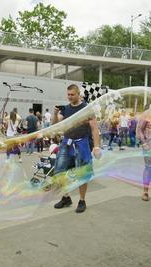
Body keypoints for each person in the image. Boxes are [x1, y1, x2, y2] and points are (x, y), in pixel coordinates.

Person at [52, 84, 101, 213]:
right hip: (66, 143)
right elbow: (55, 126)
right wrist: (55, 113)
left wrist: (96, 147)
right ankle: (66, 197)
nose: (69, 97)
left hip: (82, 143)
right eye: (68, 94)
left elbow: (95, 128)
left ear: (78, 94)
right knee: (59, 171)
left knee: (82, 174)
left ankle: (82, 200)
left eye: (72, 94)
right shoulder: (65, 109)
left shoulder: (86, 109)